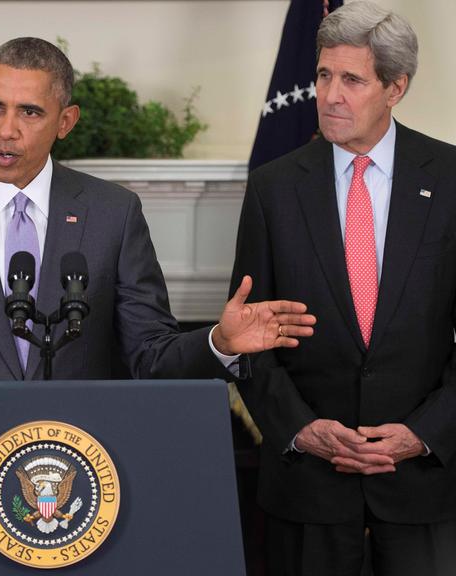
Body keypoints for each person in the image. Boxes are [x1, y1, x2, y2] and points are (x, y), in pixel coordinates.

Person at [0, 36, 316, 441]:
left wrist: (219, 341)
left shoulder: (114, 214)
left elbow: (149, 355)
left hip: (80, 466)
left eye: (30, 112)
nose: (6, 130)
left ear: (65, 121)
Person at [230, 2, 456, 574]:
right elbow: (248, 340)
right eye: (324, 75)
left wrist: (423, 434)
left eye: (352, 79)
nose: (330, 94)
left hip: (424, 482)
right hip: (308, 485)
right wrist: (301, 430)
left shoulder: (450, 179)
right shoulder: (273, 188)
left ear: (395, 87)